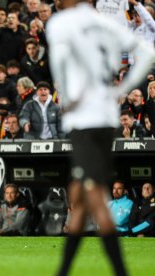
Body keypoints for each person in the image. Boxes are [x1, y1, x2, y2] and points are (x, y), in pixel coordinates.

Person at [46, 0, 155, 274]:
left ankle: (120, 270)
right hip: (106, 119)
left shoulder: (60, 23)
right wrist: (123, 89)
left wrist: (67, 98)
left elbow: (59, 62)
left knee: (93, 193)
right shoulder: (104, 22)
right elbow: (145, 51)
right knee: (80, 195)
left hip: (82, 120)